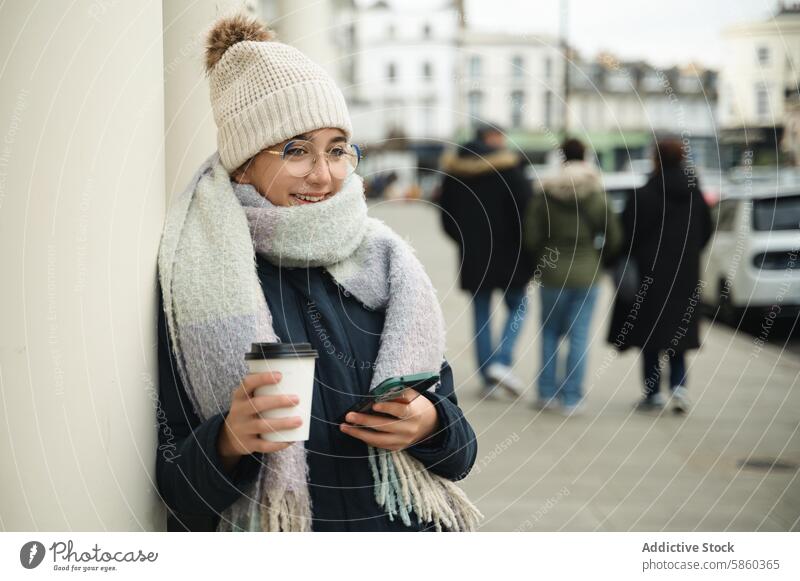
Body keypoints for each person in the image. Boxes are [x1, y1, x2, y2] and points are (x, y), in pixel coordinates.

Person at [156, 14, 480, 532]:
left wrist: (431, 425)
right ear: (242, 164)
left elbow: (460, 455)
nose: (324, 175)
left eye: (336, 150)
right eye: (296, 150)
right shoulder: (194, 278)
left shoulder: (388, 264)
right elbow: (176, 493)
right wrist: (227, 442)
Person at [606, 139, 712, 413]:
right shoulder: (694, 194)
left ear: (656, 159)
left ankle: (653, 393)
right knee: (678, 333)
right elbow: (705, 231)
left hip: (649, 275)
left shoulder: (643, 194)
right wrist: (688, 253)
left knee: (651, 334)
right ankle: (680, 387)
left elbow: (626, 236)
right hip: (685, 274)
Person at [524, 138, 621, 416]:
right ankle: (572, 398)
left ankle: (545, 393)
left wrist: (545, 257)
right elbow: (614, 236)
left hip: (552, 275)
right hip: (587, 275)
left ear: (561, 158)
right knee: (579, 336)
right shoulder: (595, 193)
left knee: (550, 334)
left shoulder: (545, 193)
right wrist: (598, 259)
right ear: (586, 157)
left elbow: (531, 236)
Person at [438, 124, 534, 398]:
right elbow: (526, 212)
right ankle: (502, 361)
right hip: (511, 254)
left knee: (481, 314)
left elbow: (446, 217)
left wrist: (466, 241)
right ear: (491, 139)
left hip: (475, 256)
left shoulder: (454, 173)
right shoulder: (510, 169)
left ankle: (489, 379)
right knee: (518, 306)